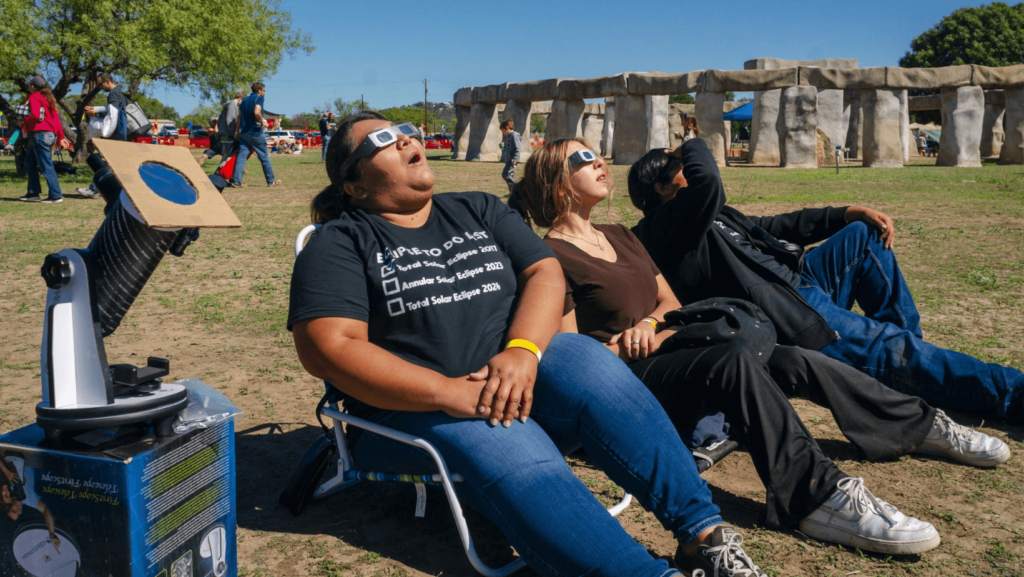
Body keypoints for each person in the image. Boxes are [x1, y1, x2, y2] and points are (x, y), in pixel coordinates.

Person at [289, 111, 769, 577]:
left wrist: (522, 350)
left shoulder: (477, 207)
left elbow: (545, 272)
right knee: (502, 428)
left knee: (583, 358)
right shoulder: (339, 243)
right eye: (380, 141)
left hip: (513, 378)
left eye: (405, 131)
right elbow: (328, 347)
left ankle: (704, 539)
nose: (403, 140)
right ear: (354, 185)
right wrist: (446, 392)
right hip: (412, 410)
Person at [510, 138, 1013, 558]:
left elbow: (668, 301)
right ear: (556, 183)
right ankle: (816, 497)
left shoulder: (620, 236)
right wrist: (627, 344)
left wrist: (652, 323)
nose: (599, 162)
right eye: (582, 159)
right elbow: (571, 358)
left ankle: (919, 423)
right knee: (732, 359)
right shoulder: (551, 256)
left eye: (597, 153)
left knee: (793, 361)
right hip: (628, 382)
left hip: (674, 348)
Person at [628, 138, 1024, 423]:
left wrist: (845, 213)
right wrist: (690, 143)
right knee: (892, 350)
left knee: (862, 236)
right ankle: (1011, 393)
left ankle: (906, 362)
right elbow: (710, 182)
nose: (689, 167)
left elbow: (772, 227)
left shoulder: (703, 216)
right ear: (662, 187)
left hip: (799, 282)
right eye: (679, 167)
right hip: (789, 311)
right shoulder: (664, 228)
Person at [19, 76, 71, 204]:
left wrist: (23, 121)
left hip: (40, 134)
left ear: (32, 86)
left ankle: (55, 195)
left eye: (29, 85)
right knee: (29, 161)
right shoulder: (49, 99)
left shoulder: (34, 97)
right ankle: (33, 193)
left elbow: (36, 115)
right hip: (49, 135)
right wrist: (61, 137)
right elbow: (56, 120)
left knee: (46, 166)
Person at [230, 82, 280, 188]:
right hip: (256, 133)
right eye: (264, 90)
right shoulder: (259, 98)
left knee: (241, 157)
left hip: (244, 133)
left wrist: (237, 131)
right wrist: (263, 122)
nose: (264, 92)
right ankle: (270, 181)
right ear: (260, 90)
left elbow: (239, 117)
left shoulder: (244, 100)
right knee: (264, 157)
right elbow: (257, 112)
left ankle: (237, 181)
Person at [499, 119, 521, 194]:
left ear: (507, 128)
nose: (503, 133)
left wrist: (515, 158)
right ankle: (513, 192)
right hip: (508, 159)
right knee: (510, 175)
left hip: (512, 160)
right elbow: (510, 146)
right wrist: (504, 147)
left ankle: (518, 188)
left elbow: (517, 147)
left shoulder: (514, 136)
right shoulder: (509, 136)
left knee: (506, 174)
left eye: (503, 131)